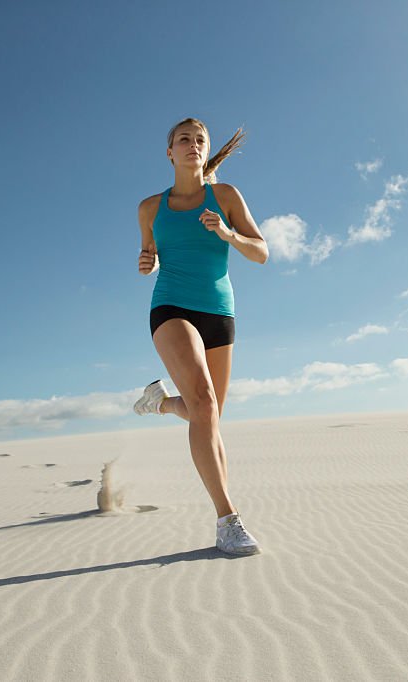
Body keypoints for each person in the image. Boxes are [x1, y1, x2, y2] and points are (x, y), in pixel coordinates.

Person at [133, 117, 269, 556]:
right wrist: (147, 261)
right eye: (183, 139)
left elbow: (261, 252)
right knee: (205, 405)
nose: (192, 145)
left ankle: (159, 402)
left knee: (205, 416)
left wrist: (227, 233)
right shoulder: (150, 208)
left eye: (199, 140)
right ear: (169, 152)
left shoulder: (225, 196)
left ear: (206, 151)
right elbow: (151, 255)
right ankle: (228, 521)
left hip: (219, 312)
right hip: (171, 306)